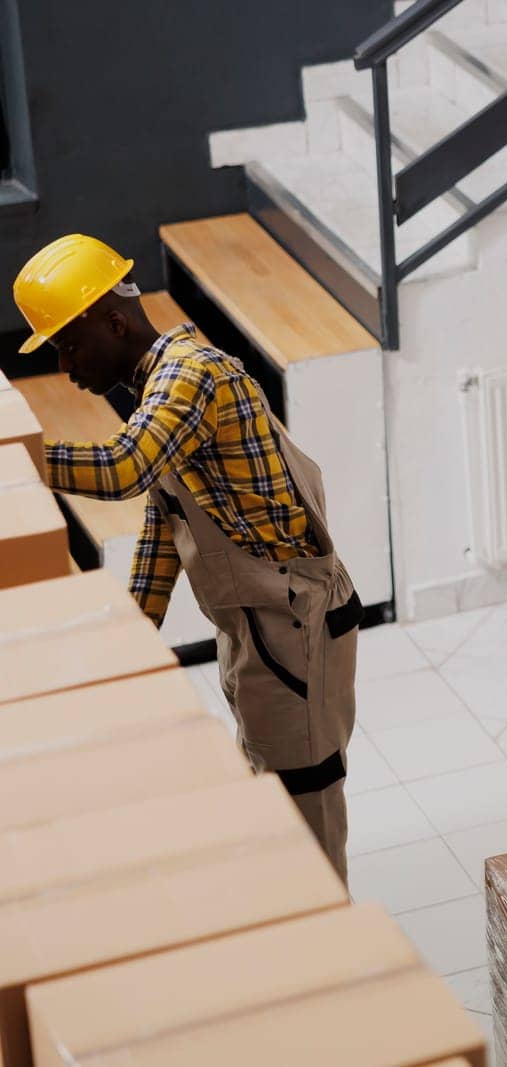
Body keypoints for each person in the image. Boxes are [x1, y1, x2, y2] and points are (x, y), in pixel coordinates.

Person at [13, 235, 360, 881]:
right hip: (257, 623)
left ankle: (330, 944)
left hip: (294, 623)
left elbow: (121, 469)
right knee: (270, 784)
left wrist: (17, 456)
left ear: (113, 321)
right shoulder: (159, 390)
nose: (66, 366)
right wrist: (134, 641)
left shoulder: (191, 374)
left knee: (303, 803)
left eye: (69, 343)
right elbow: (162, 521)